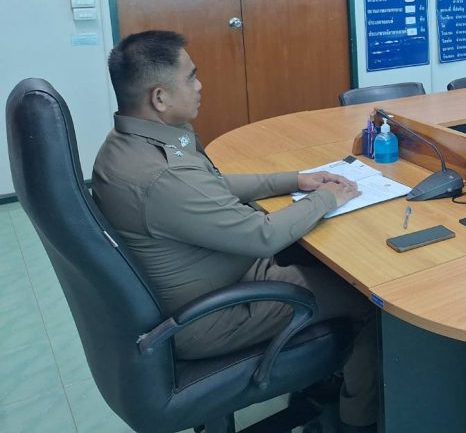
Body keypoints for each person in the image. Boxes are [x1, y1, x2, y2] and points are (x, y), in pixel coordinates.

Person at [92, 31, 377, 432]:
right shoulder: (162, 175)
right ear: (160, 98)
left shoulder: (132, 143)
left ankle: (323, 383)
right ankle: (357, 422)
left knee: (315, 257)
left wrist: (295, 179)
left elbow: (209, 186)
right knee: (368, 302)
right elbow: (263, 236)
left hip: (212, 279)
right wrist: (328, 197)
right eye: (191, 77)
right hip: (214, 312)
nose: (200, 86)